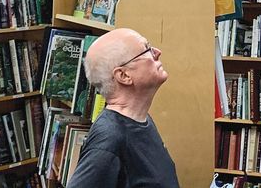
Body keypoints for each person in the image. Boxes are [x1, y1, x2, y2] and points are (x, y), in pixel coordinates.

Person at [67, 28, 180, 188]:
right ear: (124, 75)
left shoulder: (141, 119)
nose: (157, 52)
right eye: (147, 49)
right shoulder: (109, 140)